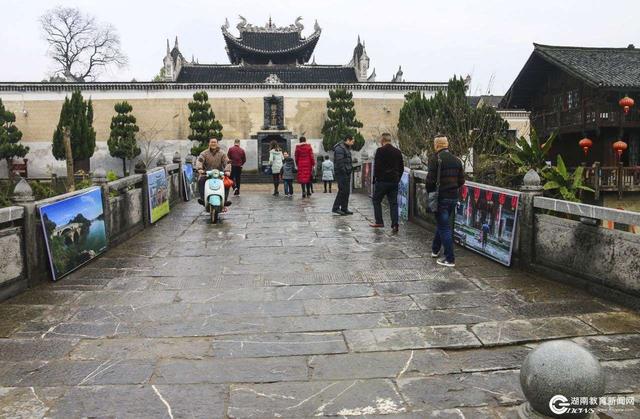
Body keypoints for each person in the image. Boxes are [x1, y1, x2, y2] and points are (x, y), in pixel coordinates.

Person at [426, 135, 465, 267]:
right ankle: (435, 249)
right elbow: (461, 181)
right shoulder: (457, 160)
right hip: (453, 197)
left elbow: (429, 181)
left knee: (444, 227)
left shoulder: (436, 159)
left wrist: (431, 192)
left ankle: (449, 258)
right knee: (442, 223)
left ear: (436, 145)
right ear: (447, 144)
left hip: (441, 198)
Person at [370, 133, 404, 232]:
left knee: (376, 200)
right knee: (393, 203)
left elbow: (377, 167)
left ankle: (379, 221)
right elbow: (401, 168)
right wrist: (397, 178)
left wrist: (376, 179)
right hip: (394, 181)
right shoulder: (397, 152)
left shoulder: (380, 151)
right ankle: (395, 224)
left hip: (382, 181)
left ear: (382, 140)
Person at [196, 138, 232, 208]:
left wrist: (227, 170)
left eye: (215, 142)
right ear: (209, 143)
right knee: (201, 181)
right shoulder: (204, 153)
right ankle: (203, 199)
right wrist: (200, 169)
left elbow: (228, 162)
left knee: (227, 183)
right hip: (207, 174)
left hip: (219, 174)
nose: (213, 144)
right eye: (211, 142)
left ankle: (224, 201)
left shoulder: (222, 153)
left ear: (217, 143)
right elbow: (199, 161)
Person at [332, 135, 355, 215]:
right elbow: (340, 162)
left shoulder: (346, 148)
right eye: (352, 141)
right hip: (341, 173)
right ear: (348, 140)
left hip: (347, 172)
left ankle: (344, 208)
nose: (353, 142)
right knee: (342, 191)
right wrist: (344, 171)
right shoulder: (340, 148)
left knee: (346, 191)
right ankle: (336, 208)